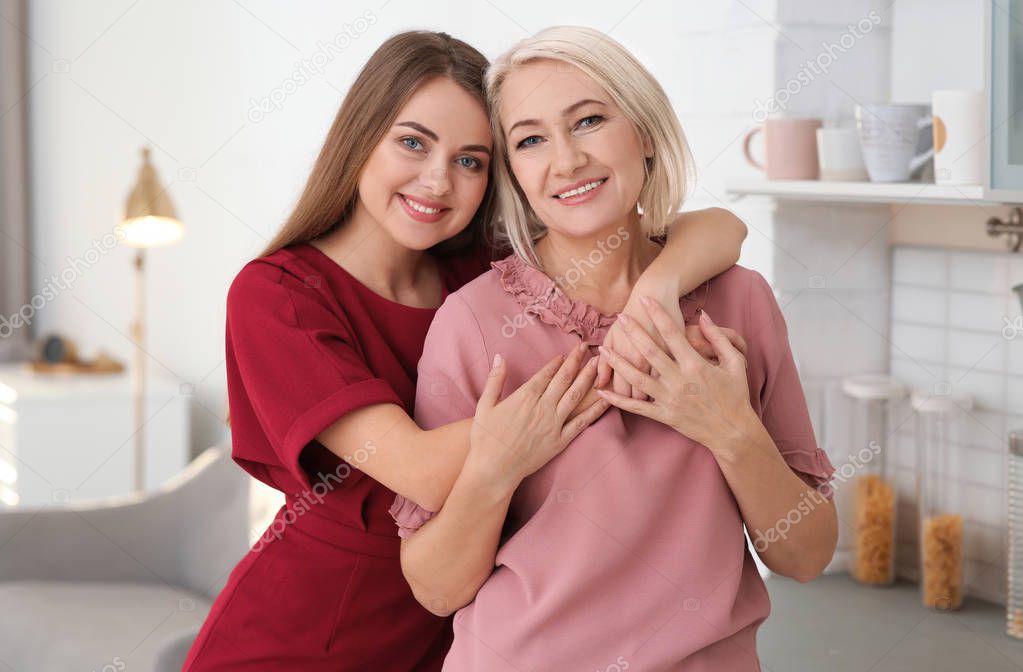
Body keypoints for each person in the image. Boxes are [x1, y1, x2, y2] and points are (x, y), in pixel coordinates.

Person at [391, 26, 838, 671]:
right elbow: (435, 590)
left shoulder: (739, 303)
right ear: (513, 171)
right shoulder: (474, 322)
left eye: (590, 120)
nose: (566, 160)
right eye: (531, 140)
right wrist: (496, 468)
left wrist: (729, 430)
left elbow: (807, 555)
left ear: (646, 134)